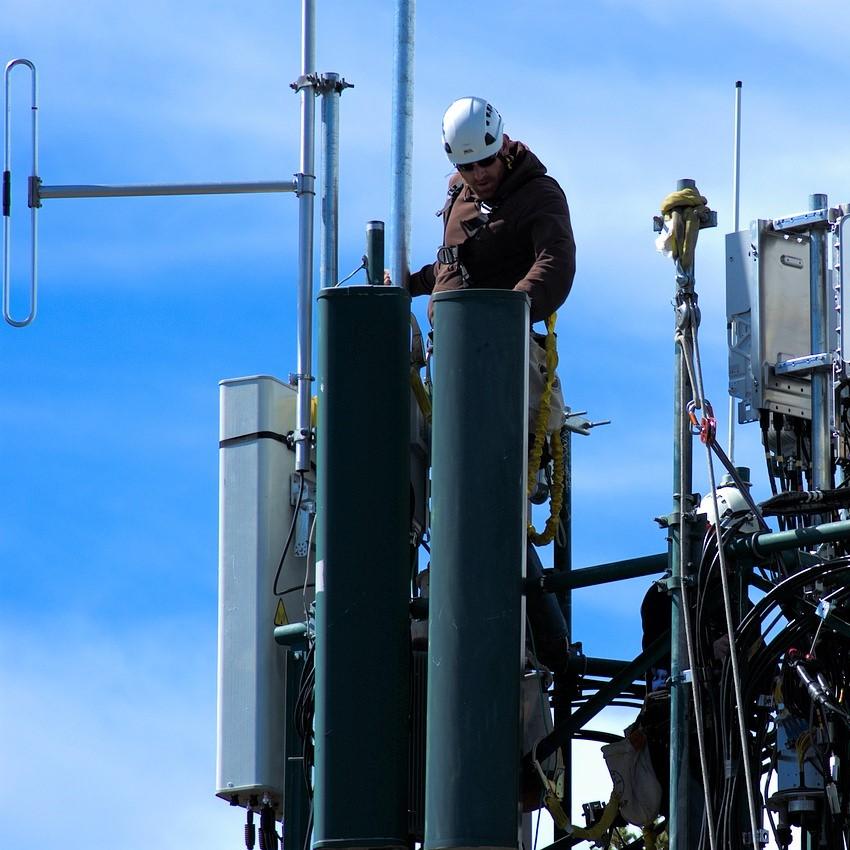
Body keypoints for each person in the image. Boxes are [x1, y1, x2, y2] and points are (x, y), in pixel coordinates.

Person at [400, 96, 576, 674]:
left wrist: (504, 314)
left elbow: (555, 263)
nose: (479, 174)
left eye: (486, 162)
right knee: (441, 476)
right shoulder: (459, 193)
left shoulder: (538, 196)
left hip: (504, 359)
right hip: (450, 361)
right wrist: (408, 285)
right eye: (468, 165)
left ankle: (541, 640)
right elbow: (453, 266)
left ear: (503, 145)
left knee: (488, 488)